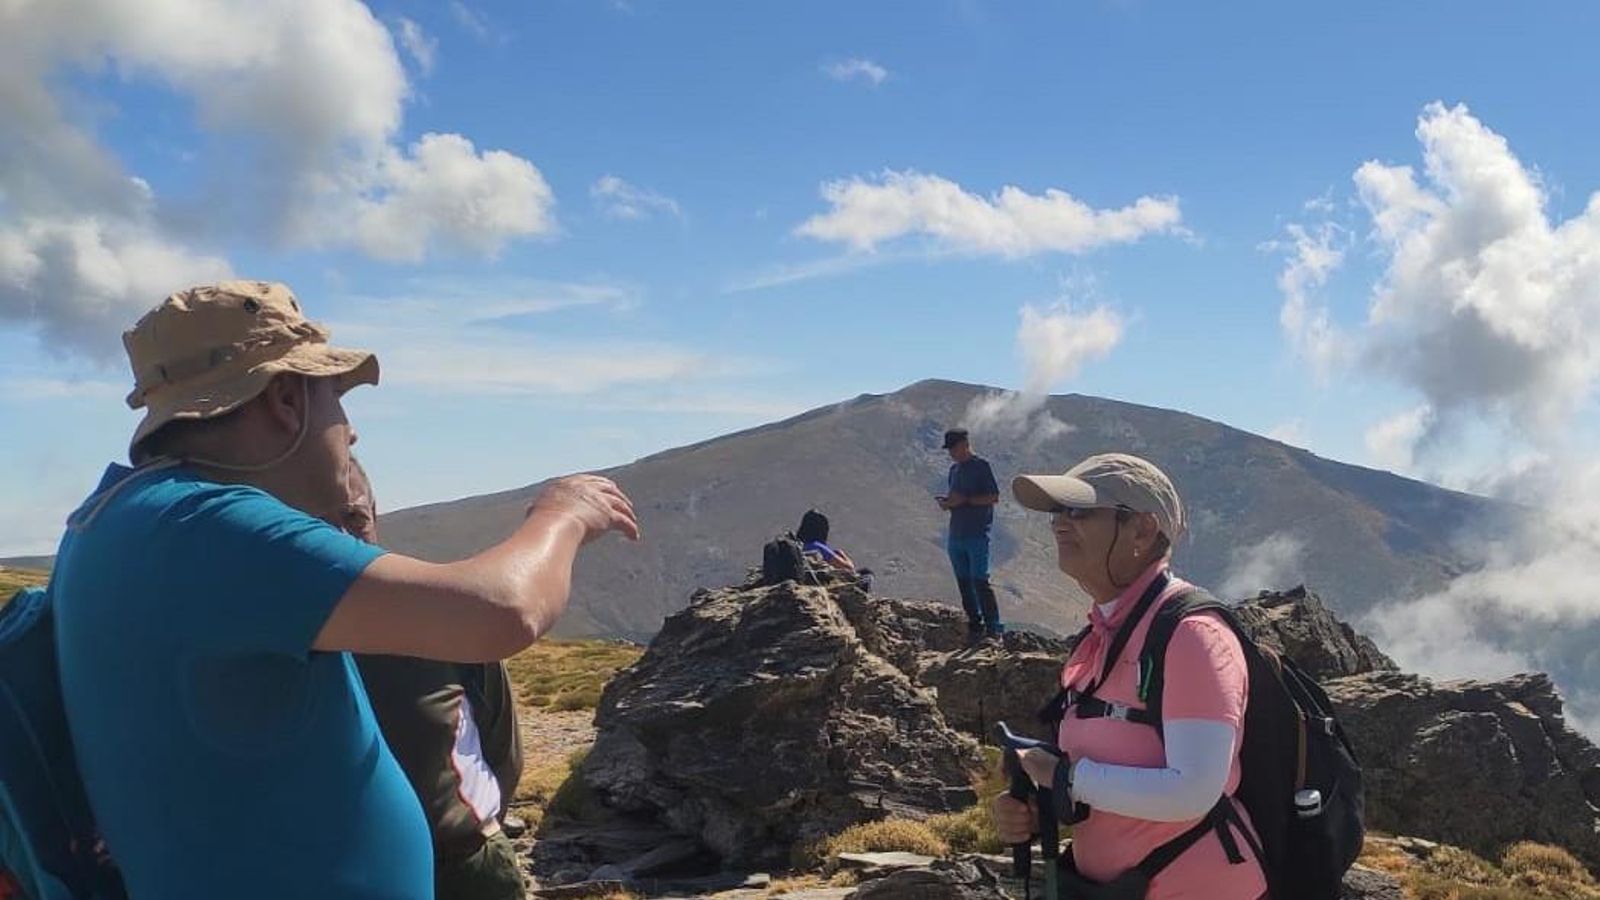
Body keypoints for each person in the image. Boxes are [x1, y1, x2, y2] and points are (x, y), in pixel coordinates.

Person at [49, 281, 638, 900]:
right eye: (334, 397)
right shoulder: (209, 527)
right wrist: (564, 514)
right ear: (285, 398)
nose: (350, 432)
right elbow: (500, 612)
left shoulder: (118, 520)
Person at [992, 453, 1266, 900]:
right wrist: (1037, 799)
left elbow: (1194, 791)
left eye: (1079, 511)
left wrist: (1065, 778)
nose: (1059, 524)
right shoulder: (1101, 636)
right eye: (1058, 513)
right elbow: (1112, 782)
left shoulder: (1192, 636)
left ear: (1142, 529)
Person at [339, 459, 526, 900]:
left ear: (375, 516)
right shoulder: (271, 630)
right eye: (315, 520)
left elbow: (502, 748)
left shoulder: (440, 615)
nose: (341, 536)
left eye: (354, 517)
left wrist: (473, 827)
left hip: (463, 868)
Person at [937, 428, 1002, 638]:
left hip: (977, 534)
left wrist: (966, 500)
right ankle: (975, 625)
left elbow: (993, 497)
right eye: (950, 450)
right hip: (956, 534)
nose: (952, 454)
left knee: (980, 581)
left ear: (965, 444)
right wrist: (948, 503)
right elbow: (955, 497)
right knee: (964, 583)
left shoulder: (981, 467)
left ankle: (993, 628)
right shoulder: (954, 470)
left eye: (954, 448)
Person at [794, 508, 872, 590]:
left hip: (802, 580)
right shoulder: (817, 547)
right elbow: (848, 568)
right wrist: (842, 554)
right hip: (821, 583)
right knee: (866, 573)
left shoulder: (797, 546)